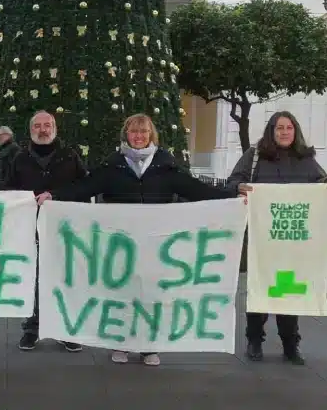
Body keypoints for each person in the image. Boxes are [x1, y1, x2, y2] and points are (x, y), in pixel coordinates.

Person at [38, 113, 237, 366]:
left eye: (143, 132)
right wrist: (54, 196)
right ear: (127, 135)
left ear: (151, 136)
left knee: (152, 295)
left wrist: (229, 196)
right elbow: (84, 187)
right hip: (122, 244)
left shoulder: (165, 166)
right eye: (134, 132)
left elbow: (196, 189)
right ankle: (121, 343)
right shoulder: (114, 166)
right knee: (123, 293)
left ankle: (148, 346)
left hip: (156, 245)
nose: (139, 136)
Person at [227, 110, 327, 365]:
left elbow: (321, 182)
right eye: (279, 128)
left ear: (295, 130)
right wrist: (239, 187)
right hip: (262, 239)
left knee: (289, 292)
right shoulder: (255, 156)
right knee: (259, 289)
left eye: (289, 127)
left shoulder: (306, 158)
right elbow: (233, 181)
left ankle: (291, 344)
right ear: (271, 131)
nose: (284, 132)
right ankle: (254, 340)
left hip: (293, 241)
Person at [5, 111, 88, 353]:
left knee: (63, 278)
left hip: (64, 229)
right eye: (38, 125)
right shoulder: (19, 158)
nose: (43, 129)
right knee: (33, 278)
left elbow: (83, 186)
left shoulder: (69, 156)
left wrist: (57, 197)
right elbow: (8, 188)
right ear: (31, 130)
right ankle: (32, 329)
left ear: (54, 128)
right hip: (30, 228)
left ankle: (65, 330)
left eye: (47, 125)